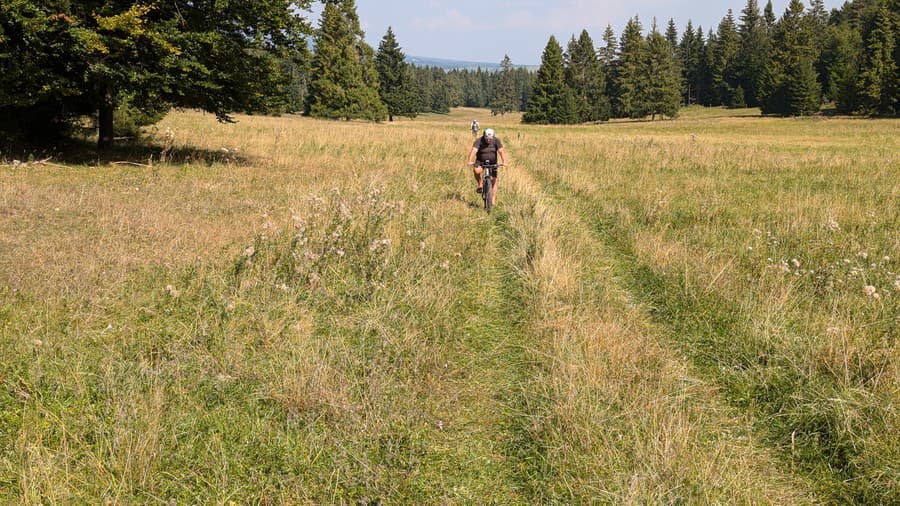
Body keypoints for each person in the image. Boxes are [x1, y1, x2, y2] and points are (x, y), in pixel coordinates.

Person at [466, 128, 508, 207]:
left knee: (494, 180)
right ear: (484, 136)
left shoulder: (496, 141)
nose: (488, 140)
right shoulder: (479, 141)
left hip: (493, 162)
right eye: (487, 138)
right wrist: (469, 160)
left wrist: (504, 161)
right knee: (476, 171)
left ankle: (493, 198)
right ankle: (480, 184)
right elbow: (474, 151)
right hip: (480, 161)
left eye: (490, 139)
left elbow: (501, 151)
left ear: (493, 137)